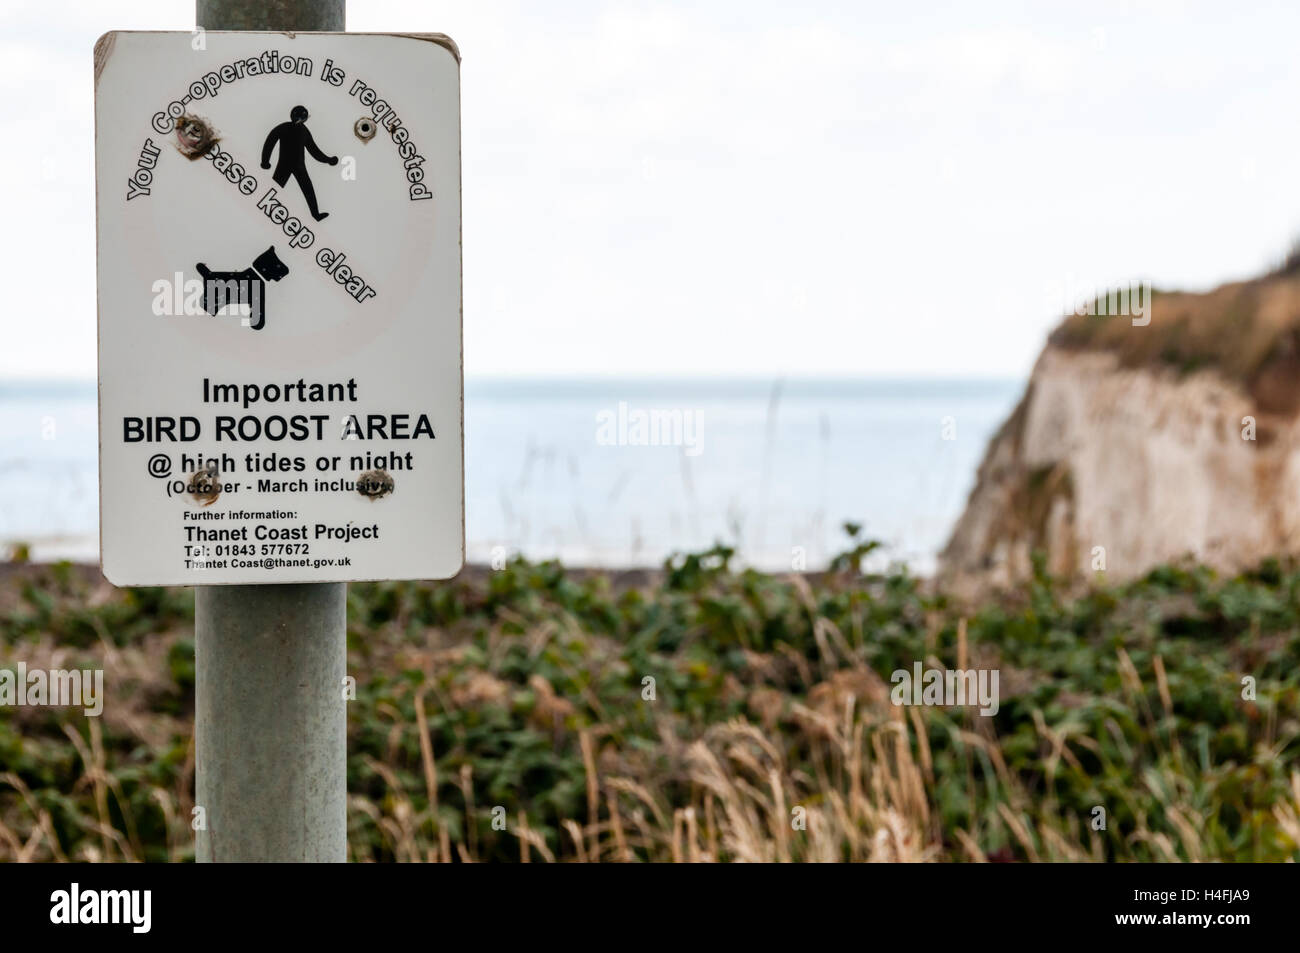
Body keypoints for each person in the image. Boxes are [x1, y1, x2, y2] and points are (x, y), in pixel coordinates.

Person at [261, 105, 338, 221]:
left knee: (282, 189)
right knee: (304, 188)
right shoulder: (301, 130)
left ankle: (315, 214)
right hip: (294, 165)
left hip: (290, 165)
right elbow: (314, 151)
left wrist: (265, 162)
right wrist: (329, 160)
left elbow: (270, 141)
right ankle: (315, 214)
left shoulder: (293, 129)